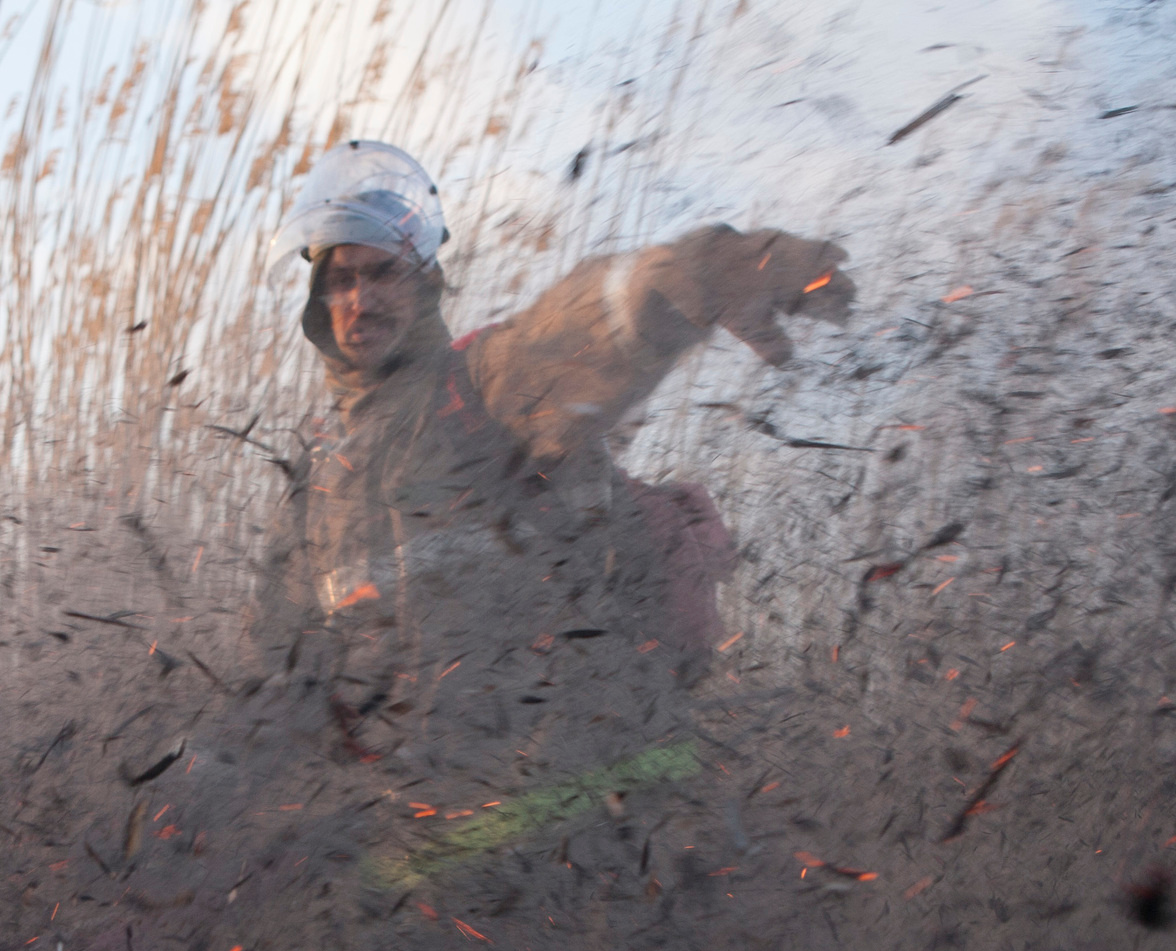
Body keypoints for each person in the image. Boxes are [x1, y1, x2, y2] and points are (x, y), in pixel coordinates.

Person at [266, 140, 854, 790]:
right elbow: (273, 677)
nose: (360, 298)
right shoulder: (315, 482)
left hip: (586, 811)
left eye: (382, 273)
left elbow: (584, 327)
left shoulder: (483, 385)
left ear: (425, 282)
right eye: (341, 279)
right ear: (318, 299)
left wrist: (703, 271)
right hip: (421, 824)